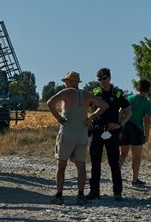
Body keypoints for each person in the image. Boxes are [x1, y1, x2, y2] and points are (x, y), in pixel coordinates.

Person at [47, 71, 109, 205]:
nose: (65, 83)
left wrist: (58, 118)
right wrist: (91, 117)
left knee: (61, 165)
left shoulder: (66, 93)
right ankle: (80, 196)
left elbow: (50, 102)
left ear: (71, 82)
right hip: (82, 134)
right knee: (81, 166)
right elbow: (104, 106)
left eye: (66, 81)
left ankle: (59, 195)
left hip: (67, 133)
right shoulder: (87, 94)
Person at [87, 68, 132, 201]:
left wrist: (120, 124)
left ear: (110, 77)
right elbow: (86, 106)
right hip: (97, 131)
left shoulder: (117, 93)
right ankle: (94, 192)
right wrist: (89, 119)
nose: (102, 82)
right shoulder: (96, 93)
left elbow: (128, 111)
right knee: (95, 163)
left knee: (114, 162)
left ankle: (117, 192)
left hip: (112, 132)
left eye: (104, 78)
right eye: (99, 79)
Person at [119, 79, 151, 186]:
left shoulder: (129, 98)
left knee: (123, 154)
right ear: (148, 90)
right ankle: (134, 180)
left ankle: (115, 176)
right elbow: (147, 121)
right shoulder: (147, 103)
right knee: (136, 156)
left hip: (125, 128)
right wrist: (147, 135)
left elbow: (120, 111)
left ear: (137, 88)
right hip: (137, 129)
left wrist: (120, 125)